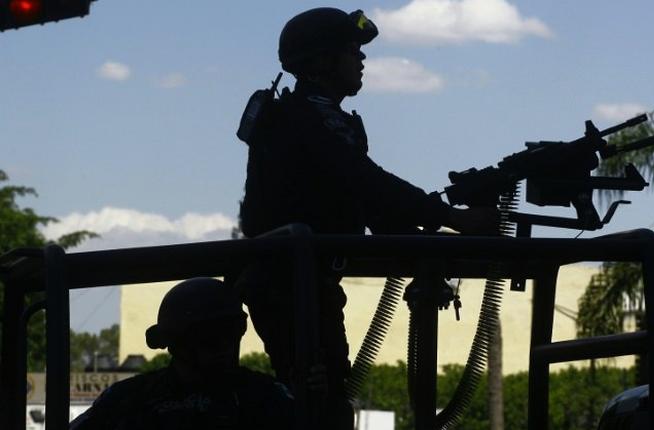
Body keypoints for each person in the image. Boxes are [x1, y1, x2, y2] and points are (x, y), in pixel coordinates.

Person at [236, 7, 497, 429]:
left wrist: (427, 242)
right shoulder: (300, 118)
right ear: (322, 62)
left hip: (309, 282)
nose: (361, 60)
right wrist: (452, 218)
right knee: (317, 403)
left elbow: (366, 201)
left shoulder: (323, 118)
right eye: (351, 50)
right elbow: (364, 180)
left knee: (328, 399)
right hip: (288, 285)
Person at [70, 278, 294, 430]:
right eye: (208, 338)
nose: (224, 346)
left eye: (232, 332)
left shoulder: (264, 396)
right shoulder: (129, 400)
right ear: (177, 343)